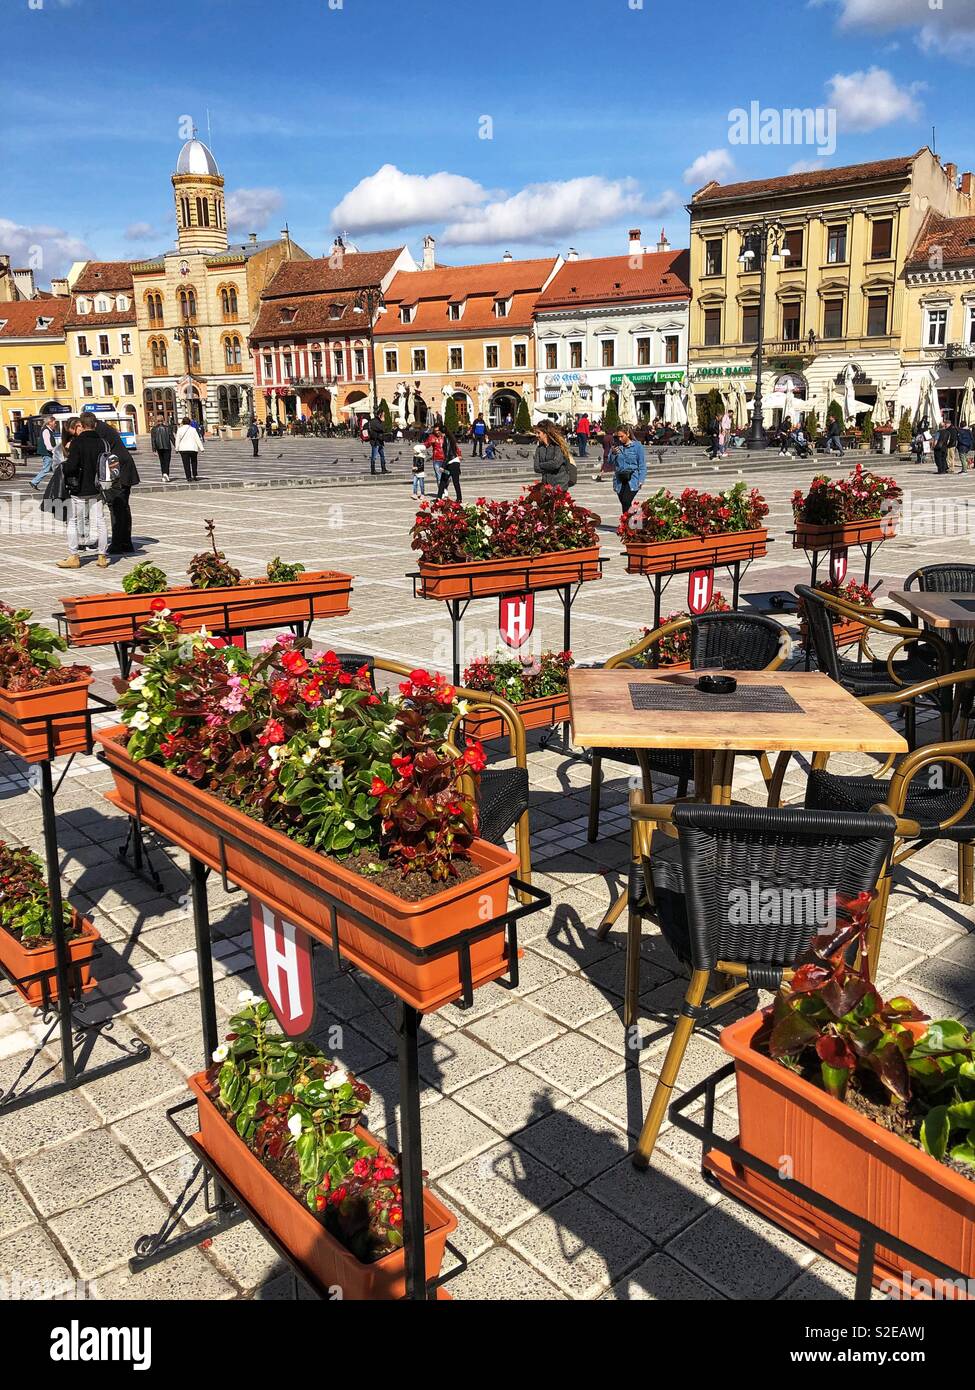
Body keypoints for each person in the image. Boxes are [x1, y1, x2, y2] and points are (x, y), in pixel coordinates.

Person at [56, 415, 109, 569]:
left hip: (79, 489)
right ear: (95, 424)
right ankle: (102, 556)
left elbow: (71, 466)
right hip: (98, 488)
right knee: (100, 521)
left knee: (73, 521)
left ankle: (74, 557)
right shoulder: (103, 442)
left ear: (81, 424)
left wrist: (64, 466)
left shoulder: (77, 442)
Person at [86, 412, 139, 554]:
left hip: (118, 471)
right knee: (122, 508)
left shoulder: (99, 432)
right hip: (123, 468)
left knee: (116, 507)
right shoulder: (104, 428)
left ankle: (117, 544)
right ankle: (126, 543)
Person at [610, 425, 647, 516]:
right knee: (624, 503)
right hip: (619, 479)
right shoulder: (616, 446)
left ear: (628, 434)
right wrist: (613, 453)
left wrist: (641, 480)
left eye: (622, 436)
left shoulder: (637, 446)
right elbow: (610, 462)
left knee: (626, 500)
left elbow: (642, 465)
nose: (619, 439)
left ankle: (630, 523)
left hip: (633, 478)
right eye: (618, 436)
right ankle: (629, 524)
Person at [532, 421, 573, 489]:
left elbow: (556, 464)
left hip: (560, 485)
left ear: (545, 433)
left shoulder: (558, 447)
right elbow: (536, 468)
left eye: (538, 433)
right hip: (546, 485)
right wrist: (550, 466)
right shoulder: (539, 448)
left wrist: (541, 464)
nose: (536, 435)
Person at [30, 415, 58, 490]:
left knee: (55, 469)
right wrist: (53, 450)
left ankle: (57, 484)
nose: (55, 424)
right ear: (50, 422)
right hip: (47, 453)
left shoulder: (48, 430)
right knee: (46, 469)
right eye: (54, 422)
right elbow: (47, 443)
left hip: (48, 452)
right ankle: (34, 482)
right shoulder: (46, 430)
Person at [436, 430, 462, 501]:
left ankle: (459, 498)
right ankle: (438, 498)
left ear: (443, 433)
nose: (439, 435)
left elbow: (448, 455)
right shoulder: (448, 439)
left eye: (439, 433)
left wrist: (442, 466)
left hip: (453, 464)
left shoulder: (447, 440)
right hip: (449, 464)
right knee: (443, 480)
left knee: (455, 481)